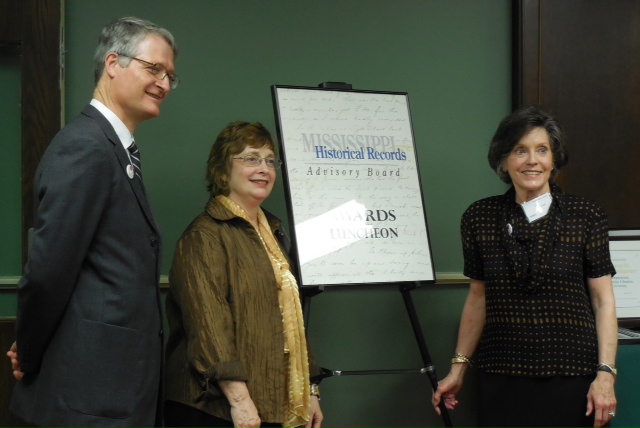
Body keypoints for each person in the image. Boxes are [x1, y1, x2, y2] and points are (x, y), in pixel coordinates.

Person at [6, 16, 178, 428]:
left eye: (171, 75)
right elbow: (48, 272)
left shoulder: (115, 150)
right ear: (113, 63)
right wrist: (27, 353)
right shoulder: (85, 148)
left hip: (114, 389)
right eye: (153, 69)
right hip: (88, 397)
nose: (165, 84)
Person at [432, 106, 618, 428]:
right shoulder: (479, 217)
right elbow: (478, 298)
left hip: (574, 376)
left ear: (554, 159)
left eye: (542, 150)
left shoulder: (585, 215)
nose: (532, 160)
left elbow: (603, 301)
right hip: (502, 375)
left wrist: (606, 374)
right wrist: (458, 368)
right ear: (503, 161)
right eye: (520, 151)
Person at [164, 121, 323, 428]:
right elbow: (209, 325)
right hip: (217, 409)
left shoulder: (272, 234)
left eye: (269, 160)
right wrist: (239, 400)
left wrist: (311, 389)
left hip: (270, 402)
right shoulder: (205, 236)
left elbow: (292, 322)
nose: (263, 168)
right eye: (250, 158)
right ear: (223, 173)